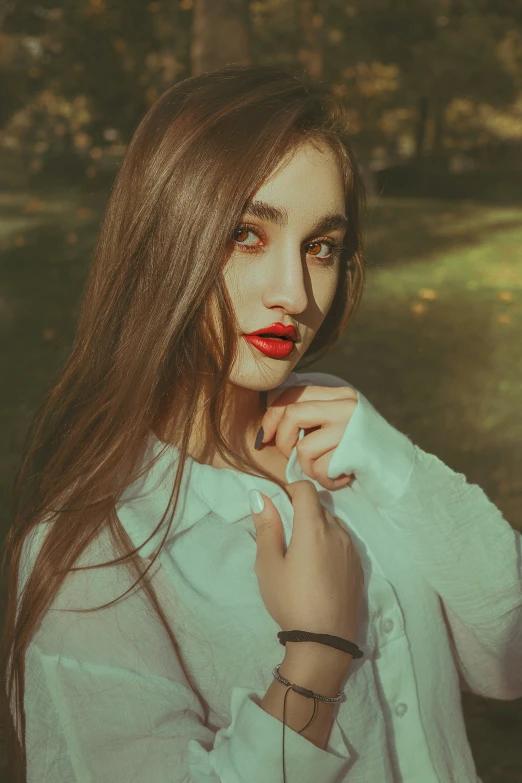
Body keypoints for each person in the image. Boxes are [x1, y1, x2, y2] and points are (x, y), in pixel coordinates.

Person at [2, 64, 521, 783]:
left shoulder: (344, 438)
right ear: (166, 235)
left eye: (321, 246)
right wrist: (315, 656)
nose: (294, 293)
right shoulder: (92, 555)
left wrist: (394, 462)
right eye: (247, 233)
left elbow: (508, 650)